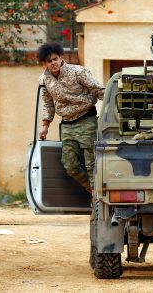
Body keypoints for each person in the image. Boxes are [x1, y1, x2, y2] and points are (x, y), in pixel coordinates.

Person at [37, 42, 104, 194]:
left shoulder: (78, 72)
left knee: (91, 164)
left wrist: (114, 105)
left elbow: (98, 90)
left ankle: (98, 202)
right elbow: (48, 104)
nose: (53, 63)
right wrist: (45, 125)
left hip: (86, 120)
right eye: (49, 61)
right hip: (67, 124)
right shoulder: (44, 80)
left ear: (61, 58)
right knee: (70, 165)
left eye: (55, 59)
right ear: (44, 64)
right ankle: (92, 191)